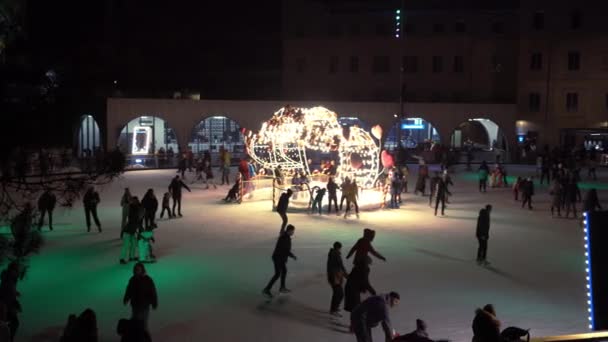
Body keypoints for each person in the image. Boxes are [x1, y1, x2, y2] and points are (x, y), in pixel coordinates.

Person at [262, 224, 297, 297]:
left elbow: (285, 250)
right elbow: (286, 250)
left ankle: (282, 287)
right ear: (289, 231)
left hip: (281, 258)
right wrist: (292, 256)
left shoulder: (286, 237)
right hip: (278, 258)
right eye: (293, 231)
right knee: (277, 274)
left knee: (284, 271)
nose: (293, 232)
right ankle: (267, 289)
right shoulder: (284, 238)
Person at [123, 262, 158, 331]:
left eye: (138, 270)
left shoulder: (147, 280)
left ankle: (145, 337)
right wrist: (126, 298)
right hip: (135, 305)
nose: (136, 271)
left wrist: (154, 302)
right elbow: (129, 290)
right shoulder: (132, 280)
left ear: (142, 270)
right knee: (135, 321)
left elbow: (152, 291)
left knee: (143, 324)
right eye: (135, 270)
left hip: (144, 305)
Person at [0, 262, 21, 341]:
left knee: (11, 323)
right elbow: (6, 290)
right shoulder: (10, 278)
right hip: (6, 305)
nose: (18, 272)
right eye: (17, 269)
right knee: (13, 323)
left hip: (7, 304)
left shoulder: (9, 278)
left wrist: (15, 292)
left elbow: (7, 289)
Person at [327, 242, 348, 317]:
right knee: (339, 293)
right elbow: (341, 266)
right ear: (339, 247)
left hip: (334, 276)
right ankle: (333, 310)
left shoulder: (332, 253)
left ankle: (333, 309)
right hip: (334, 277)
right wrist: (346, 275)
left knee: (337, 293)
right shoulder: (336, 255)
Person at [120, 197, 143, 264]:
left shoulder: (138, 208)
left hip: (132, 231)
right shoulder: (132, 209)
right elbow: (134, 221)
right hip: (128, 231)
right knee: (126, 245)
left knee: (134, 244)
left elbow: (139, 224)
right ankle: (122, 258)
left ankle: (132, 257)